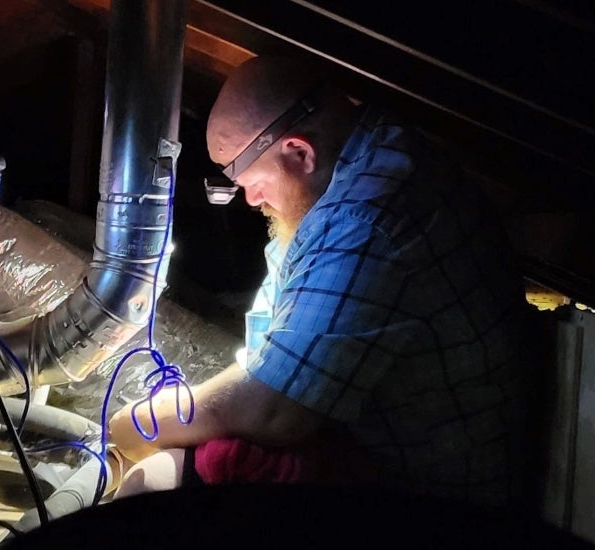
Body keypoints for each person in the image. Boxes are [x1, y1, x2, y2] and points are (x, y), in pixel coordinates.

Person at [107, 56, 530, 508]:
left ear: (299, 152)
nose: (250, 199)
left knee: (147, 486)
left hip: (431, 498)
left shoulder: (367, 218)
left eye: (245, 178)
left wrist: (135, 424)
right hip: (374, 443)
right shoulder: (359, 162)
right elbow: (271, 339)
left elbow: (273, 410)